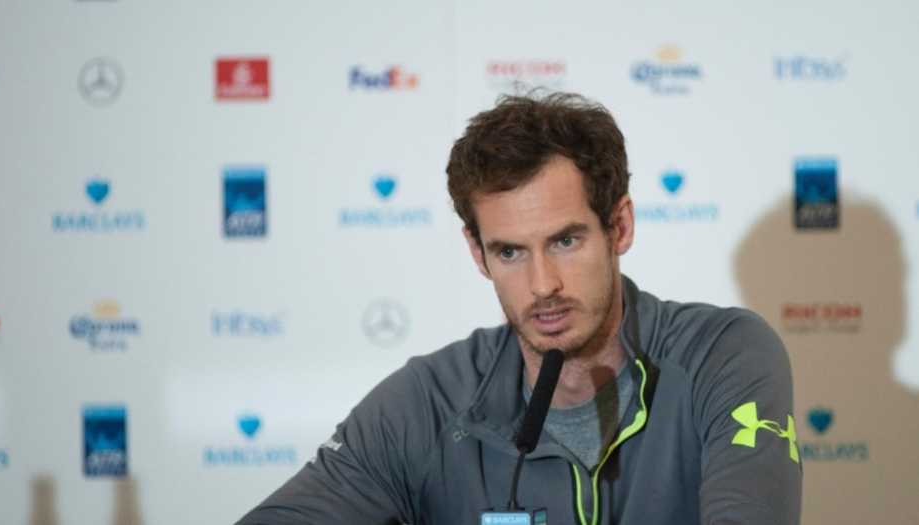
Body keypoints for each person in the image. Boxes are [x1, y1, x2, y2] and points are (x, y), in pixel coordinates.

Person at [235, 92, 802, 525]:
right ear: (477, 253)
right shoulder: (428, 403)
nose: (542, 285)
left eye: (566, 241)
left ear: (620, 226)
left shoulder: (722, 355)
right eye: (510, 252)